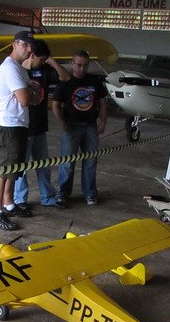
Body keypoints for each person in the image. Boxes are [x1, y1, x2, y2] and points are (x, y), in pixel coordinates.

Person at [14, 39, 70, 210]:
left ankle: (48, 197)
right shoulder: (19, 71)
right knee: (21, 167)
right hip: (24, 127)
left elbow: (66, 78)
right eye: (41, 59)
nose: (43, 62)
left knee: (43, 165)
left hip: (39, 127)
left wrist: (51, 61)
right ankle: (19, 199)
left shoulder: (45, 70)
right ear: (32, 56)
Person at [0, 30, 35, 231]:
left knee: (13, 170)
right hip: (9, 126)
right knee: (3, 170)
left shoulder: (20, 68)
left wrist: (29, 93)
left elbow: (30, 94)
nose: (29, 49)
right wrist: (30, 93)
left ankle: (9, 205)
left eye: (30, 45)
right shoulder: (10, 68)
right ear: (14, 44)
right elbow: (27, 98)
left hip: (18, 125)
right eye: (24, 44)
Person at [52, 50, 108, 206]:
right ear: (72, 63)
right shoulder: (65, 81)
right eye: (78, 65)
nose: (82, 69)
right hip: (71, 127)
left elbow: (102, 103)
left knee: (90, 161)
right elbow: (55, 105)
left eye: (85, 65)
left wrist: (102, 122)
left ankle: (90, 193)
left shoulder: (94, 81)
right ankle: (62, 193)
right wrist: (63, 123)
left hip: (90, 127)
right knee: (67, 163)